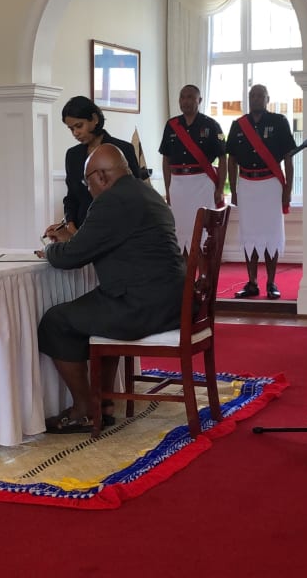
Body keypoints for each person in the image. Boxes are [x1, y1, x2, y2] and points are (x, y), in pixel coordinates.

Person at [37, 144, 185, 433]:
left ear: (102, 177)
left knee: (56, 322)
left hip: (141, 305)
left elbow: (71, 258)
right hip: (174, 301)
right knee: (96, 312)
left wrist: (50, 251)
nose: (88, 188)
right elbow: (101, 242)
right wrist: (73, 240)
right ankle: (102, 401)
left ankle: (85, 409)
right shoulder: (146, 193)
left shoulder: (111, 201)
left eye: (87, 182)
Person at [225, 84, 295, 299]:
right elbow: (232, 159)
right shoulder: (238, 125)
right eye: (252, 95)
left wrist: (288, 190)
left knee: (271, 235)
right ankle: (252, 282)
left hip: (271, 185)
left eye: (260, 96)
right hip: (247, 185)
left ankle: (272, 283)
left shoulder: (279, 122)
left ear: (267, 99)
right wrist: (234, 189)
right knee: (250, 235)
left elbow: (289, 158)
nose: (256, 99)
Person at [45, 95, 140, 236]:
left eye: (79, 126)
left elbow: (134, 195)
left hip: (116, 230)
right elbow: (71, 197)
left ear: (94, 119)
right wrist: (70, 224)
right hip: (81, 230)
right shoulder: (73, 155)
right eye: (71, 129)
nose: (75, 133)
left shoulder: (123, 149)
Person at [159, 84, 226, 252]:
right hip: (178, 185)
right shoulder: (171, 125)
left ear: (200, 100)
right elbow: (166, 159)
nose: (185, 101)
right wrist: (168, 188)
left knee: (202, 229)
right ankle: (184, 274)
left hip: (202, 183)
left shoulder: (212, 125)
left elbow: (223, 158)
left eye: (190, 97)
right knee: (180, 231)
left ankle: (202, 273)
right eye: (182, 97)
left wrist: (219, 188)